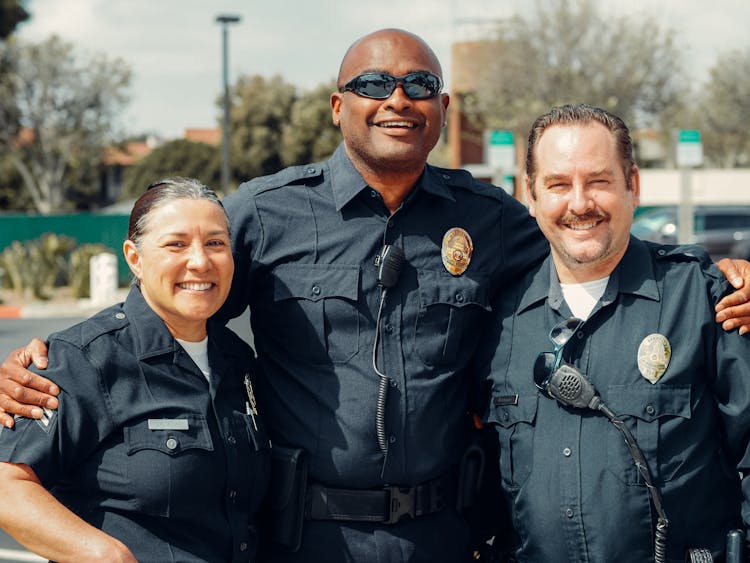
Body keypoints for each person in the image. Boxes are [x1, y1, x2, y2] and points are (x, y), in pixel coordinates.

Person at [1, 30, 750, 563]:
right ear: (337, 106)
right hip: (308, 537)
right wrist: (55, 360)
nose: (397, 98)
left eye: (419, 85)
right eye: (373, 84)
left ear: (443, 107)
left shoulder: (490, 218)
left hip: (448, 533)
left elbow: (589, 243)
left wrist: (727, 273)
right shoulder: (264, 211)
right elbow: (174, 301)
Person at [478, 104, 750, 562]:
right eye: (559, 184)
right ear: (531, 194)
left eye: (599, 181)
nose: (580, 203)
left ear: (633, 186)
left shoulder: (703, 298)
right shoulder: (498, 319)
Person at [0, 178, 270, 562]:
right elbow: (7, 482)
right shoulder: (84, 357)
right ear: (134, 258)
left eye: (216, 243)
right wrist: (102, 554)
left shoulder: (239, 361)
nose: (200, 261)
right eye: (176, 244)